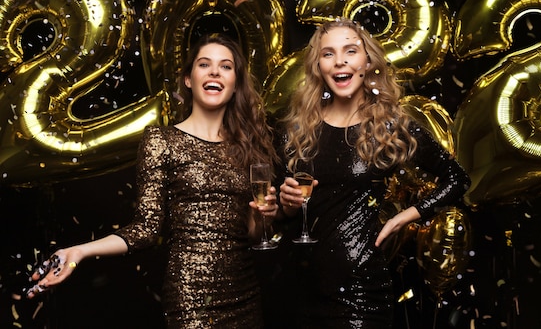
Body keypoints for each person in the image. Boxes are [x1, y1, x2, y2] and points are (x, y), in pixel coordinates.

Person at [26, 33, 280, 329]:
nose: (214, 71)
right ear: (188, 79)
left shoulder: (248, 146)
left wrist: (264, 217)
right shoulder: (160, 140)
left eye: (225, 66)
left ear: (235, 83)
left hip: (245, 293)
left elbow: (250, 232)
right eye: (204, 64)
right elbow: (146, 229)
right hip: (191, 297)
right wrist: (80, 250)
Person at [275, 18, 471, 328]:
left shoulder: (391, 128)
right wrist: (284, 206)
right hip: (294, 289)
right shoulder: (295, 132)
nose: (340, 61)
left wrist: (402, 218)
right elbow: (273, 215)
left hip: (359, 294)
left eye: (350, 51)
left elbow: (457, 179)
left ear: (367, 62)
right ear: (318, 67)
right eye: (328, 54)